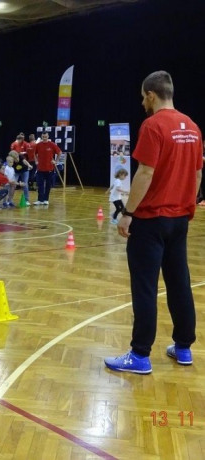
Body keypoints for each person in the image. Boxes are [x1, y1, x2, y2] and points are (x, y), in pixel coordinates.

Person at [104, 70, 203, 374]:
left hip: (150, 221)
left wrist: (128, 213)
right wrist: (187, 204)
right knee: (179, 282)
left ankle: (140, 354)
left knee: (145, 287)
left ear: (151, 94)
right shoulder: (193, 127)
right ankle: (183, 347)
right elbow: (198, 173)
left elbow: (145, 173)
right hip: (179, 219)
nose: (142, 103)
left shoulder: (153, 125)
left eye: (143, 97)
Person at [34, 132, 61, 205]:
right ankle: (40, 200)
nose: (44, 138)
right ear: (41, 137)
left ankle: (46, 199)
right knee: (40, 185)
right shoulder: (38, 145)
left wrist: (56, 161)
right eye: (43, 137)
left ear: (48, 136)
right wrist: (36, 160)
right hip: (40, 169)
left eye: (45, 136)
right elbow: (34, 153)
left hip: (49, 169)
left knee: (48, 185)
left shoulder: (52, 144)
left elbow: (59, 152)